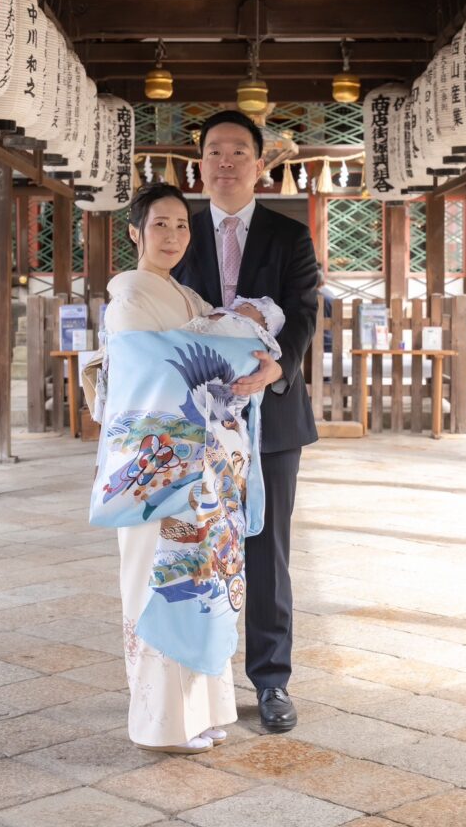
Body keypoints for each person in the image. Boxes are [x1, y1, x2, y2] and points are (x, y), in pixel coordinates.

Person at [88, 182, 260, 756]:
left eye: (182, 226)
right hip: (158, 468)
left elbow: (211, 353)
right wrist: (240, 355)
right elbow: (160, 371)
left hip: (200, 468)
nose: (172, 236)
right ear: (135, 232)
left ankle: (203, 712)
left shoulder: (182, 296)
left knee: (202, 582)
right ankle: (162, 722)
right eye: (160, 224)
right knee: (161, 582)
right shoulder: (132, 296)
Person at [174, 109, 318, 734]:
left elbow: (307, 313)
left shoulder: (290, 237)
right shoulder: (177, 233)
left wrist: (274, 370)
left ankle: (271, 681)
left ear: (262, 165)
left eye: (239, 151)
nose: (225, 161)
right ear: (198, 165)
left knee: (267, 550)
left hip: (272, 421)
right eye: (214, 151)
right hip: (194, 422)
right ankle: (195, 680)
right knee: (193, 545)